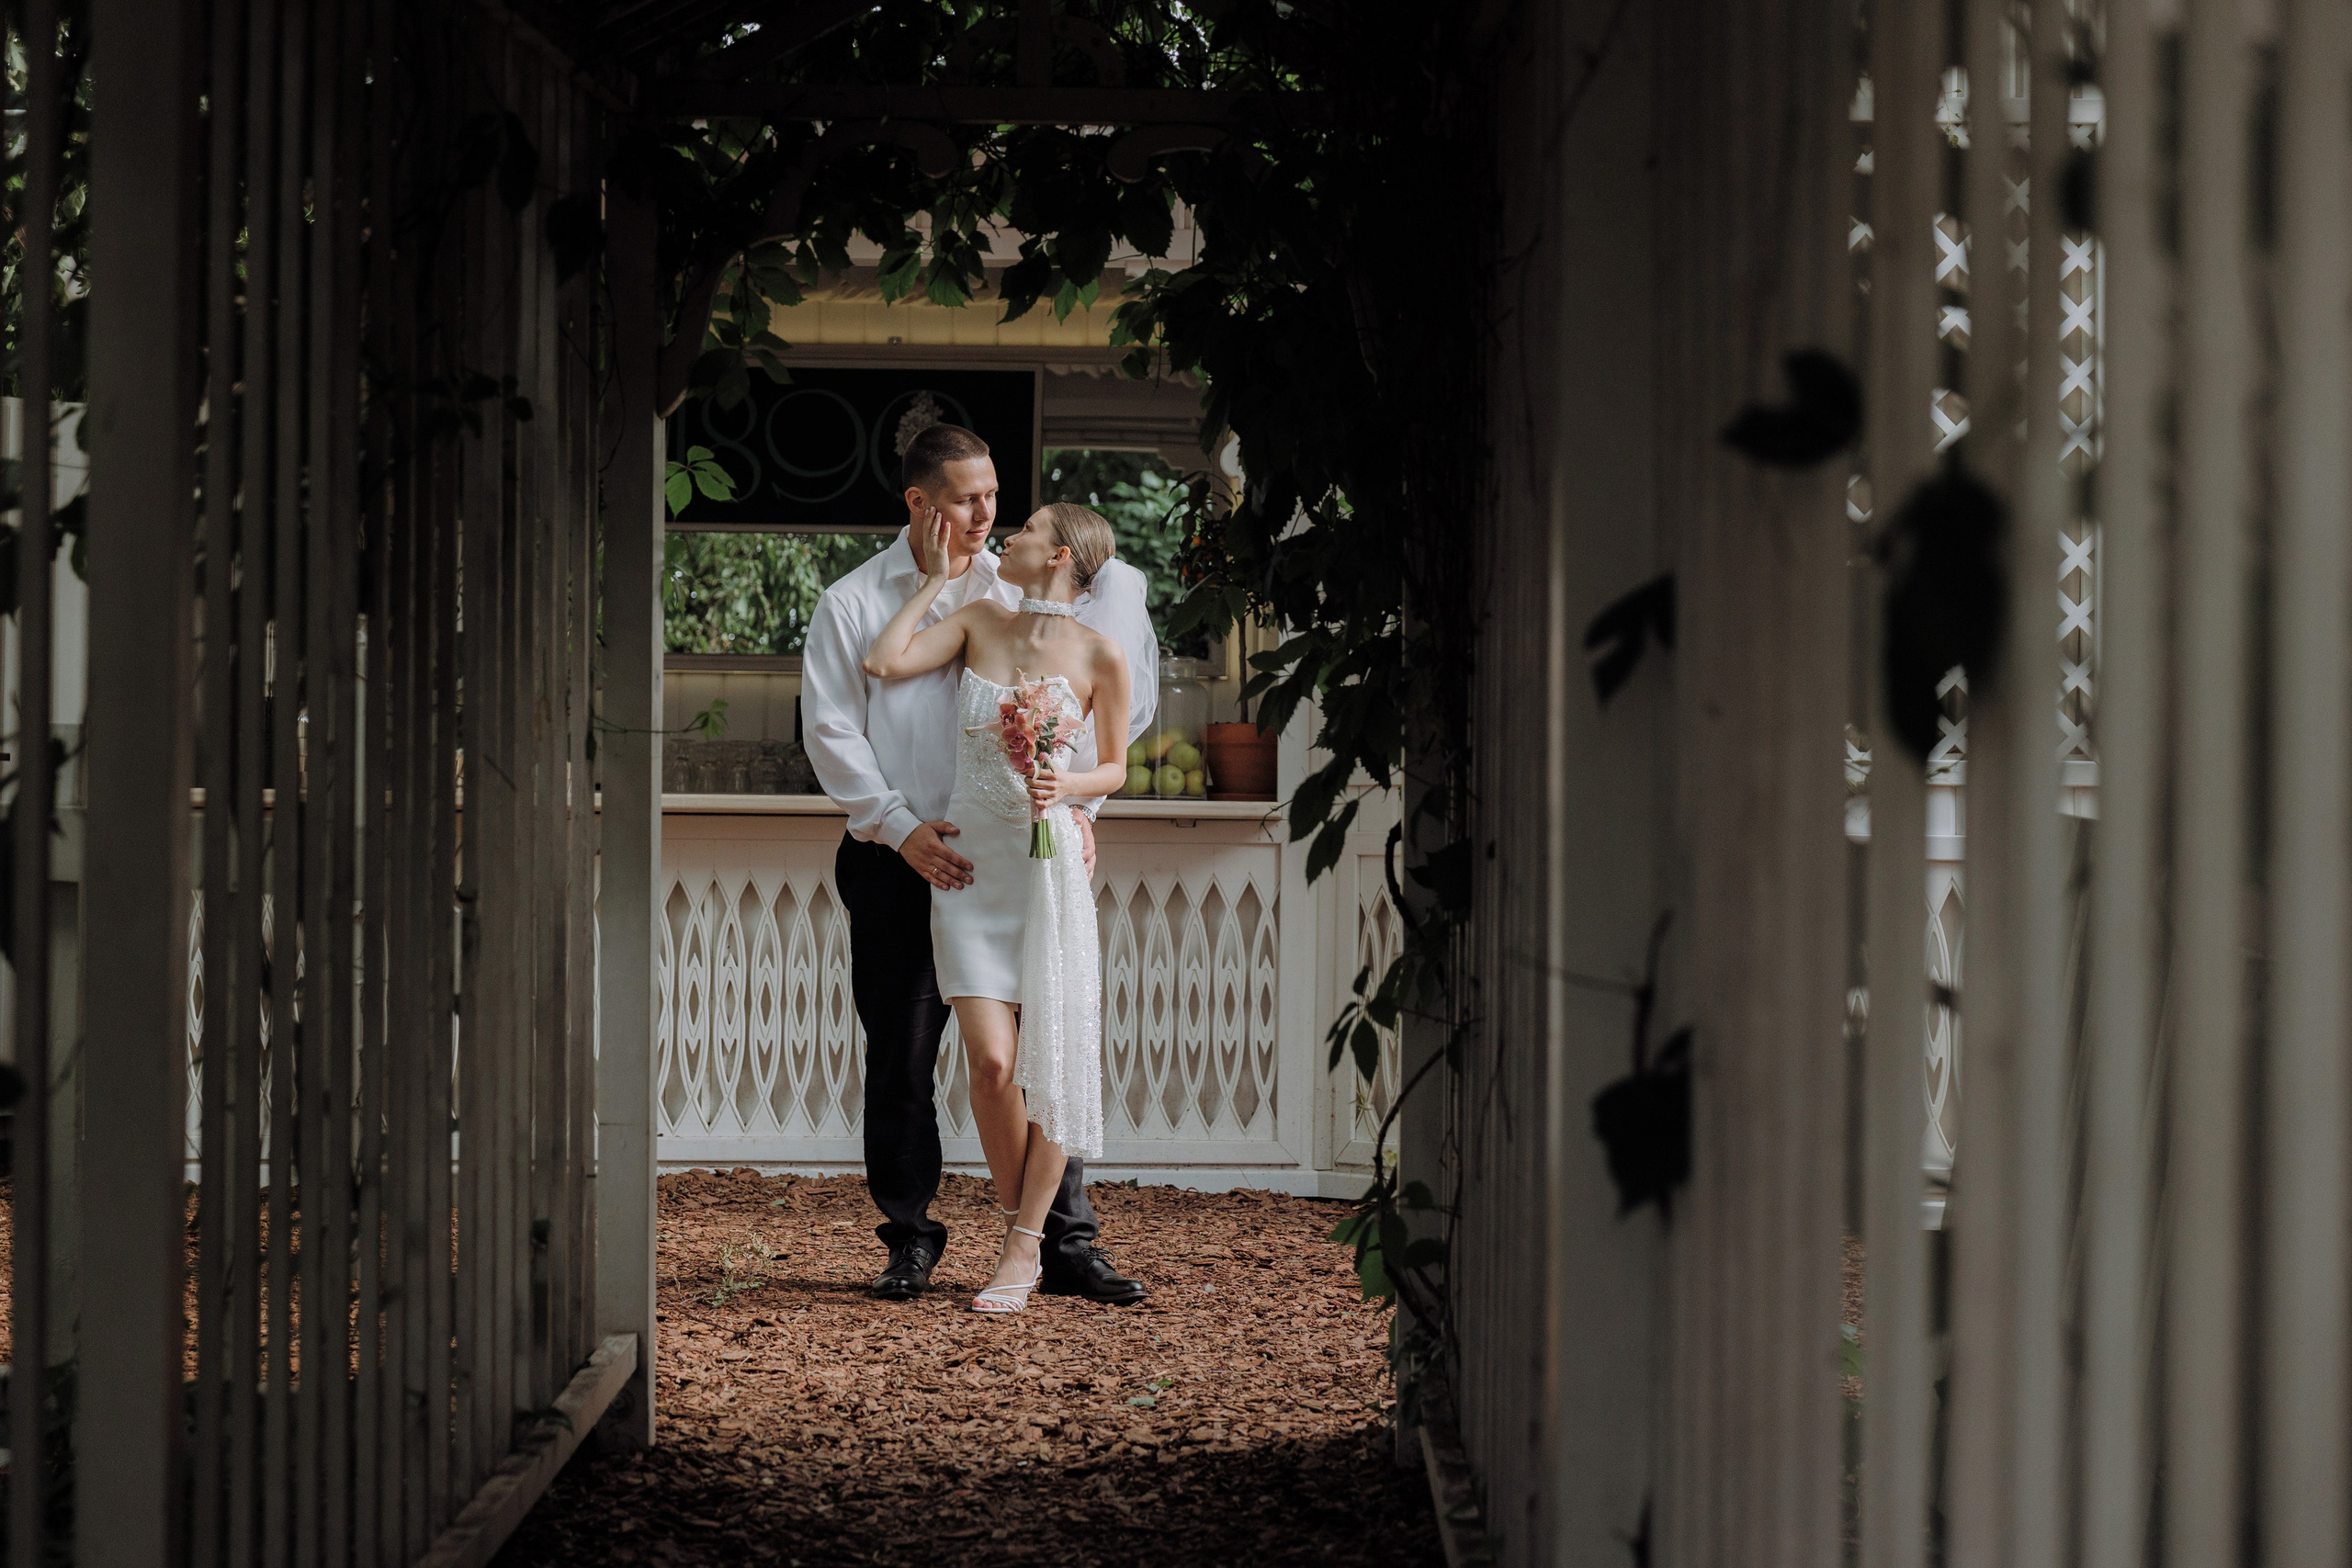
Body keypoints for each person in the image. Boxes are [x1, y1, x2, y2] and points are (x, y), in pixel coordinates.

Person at [799, 423, 1155, 1305]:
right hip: (897, 856)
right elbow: (831, 732)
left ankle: (1056, 1243)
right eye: (969, 498)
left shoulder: (1015, 591)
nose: (989, 514)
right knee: (904, 1058)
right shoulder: (851, 602)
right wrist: (898, 825)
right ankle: (911, 1238)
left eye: (996, 496)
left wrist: (1076, 804)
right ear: (920, 503)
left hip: (1013, 860)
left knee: (1038, 1057)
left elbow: (1105, 710)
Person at [862, 501, 1126, 1311]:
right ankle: (1031, 1233)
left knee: (1048, 1066)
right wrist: (934, 582)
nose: (1008, 535)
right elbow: (883, 661)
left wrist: (1069, 787)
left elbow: (1113, 767)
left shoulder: (1100, 654)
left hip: (1046, 873)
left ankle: (1020, 1252)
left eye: (1028, 531)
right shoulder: (977, 617)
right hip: (970, 875)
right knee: (992, 1065)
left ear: (1059, 557)